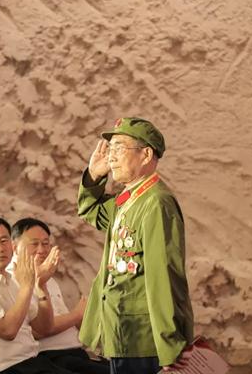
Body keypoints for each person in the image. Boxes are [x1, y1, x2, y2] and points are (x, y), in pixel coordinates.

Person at [77, 117, 194, 374]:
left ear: (146, 155)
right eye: (110, 148)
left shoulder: (156, 202)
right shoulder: (130, 198)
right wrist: (94, 177)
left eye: (119, 148)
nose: (111, 157)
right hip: (123, 331)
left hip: (145, 339)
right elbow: (91, 212)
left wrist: (169, 348)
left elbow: (162, 278)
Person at [0, 215, 79, 374]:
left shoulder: (11, 280)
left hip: (34, 362)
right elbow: (7, 331)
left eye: (4, 240)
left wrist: (41, 286)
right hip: (8, 369)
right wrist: (27, 286)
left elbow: (43, 328)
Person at [10, 218, 110, 374]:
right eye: (34, 244)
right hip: (51, 356)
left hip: (75, 351)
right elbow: (37, 330)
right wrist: (76, 315)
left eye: (45, 243)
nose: (41, 250)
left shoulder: (48, 275)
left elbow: (64, 317)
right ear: (15, 248)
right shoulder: (13, 280)